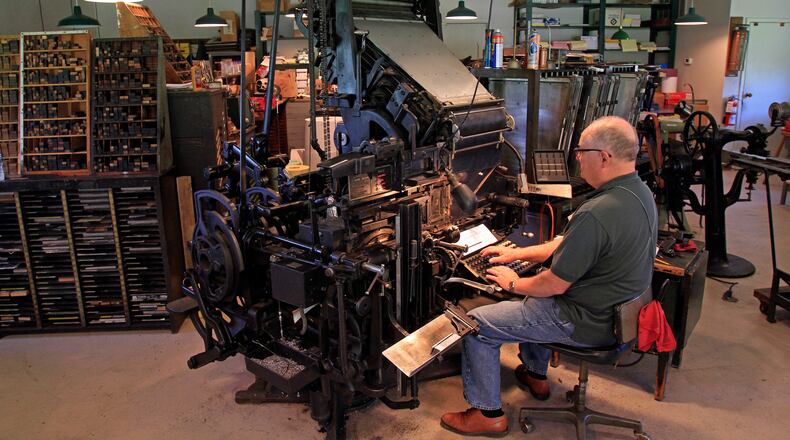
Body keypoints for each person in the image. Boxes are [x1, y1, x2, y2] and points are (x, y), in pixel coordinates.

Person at [440, 116, 658, 437]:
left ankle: (487, 414)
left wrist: (511, 282)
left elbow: (553, 284)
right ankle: (535, 375)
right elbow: (565, 245)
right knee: (531, 295)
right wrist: (516, 255)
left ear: (605, 157)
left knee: (478, 323)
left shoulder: (598, 212)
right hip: (616, 313)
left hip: (586, 321)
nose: (578, 158)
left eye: (583, 151)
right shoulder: (637, 194)